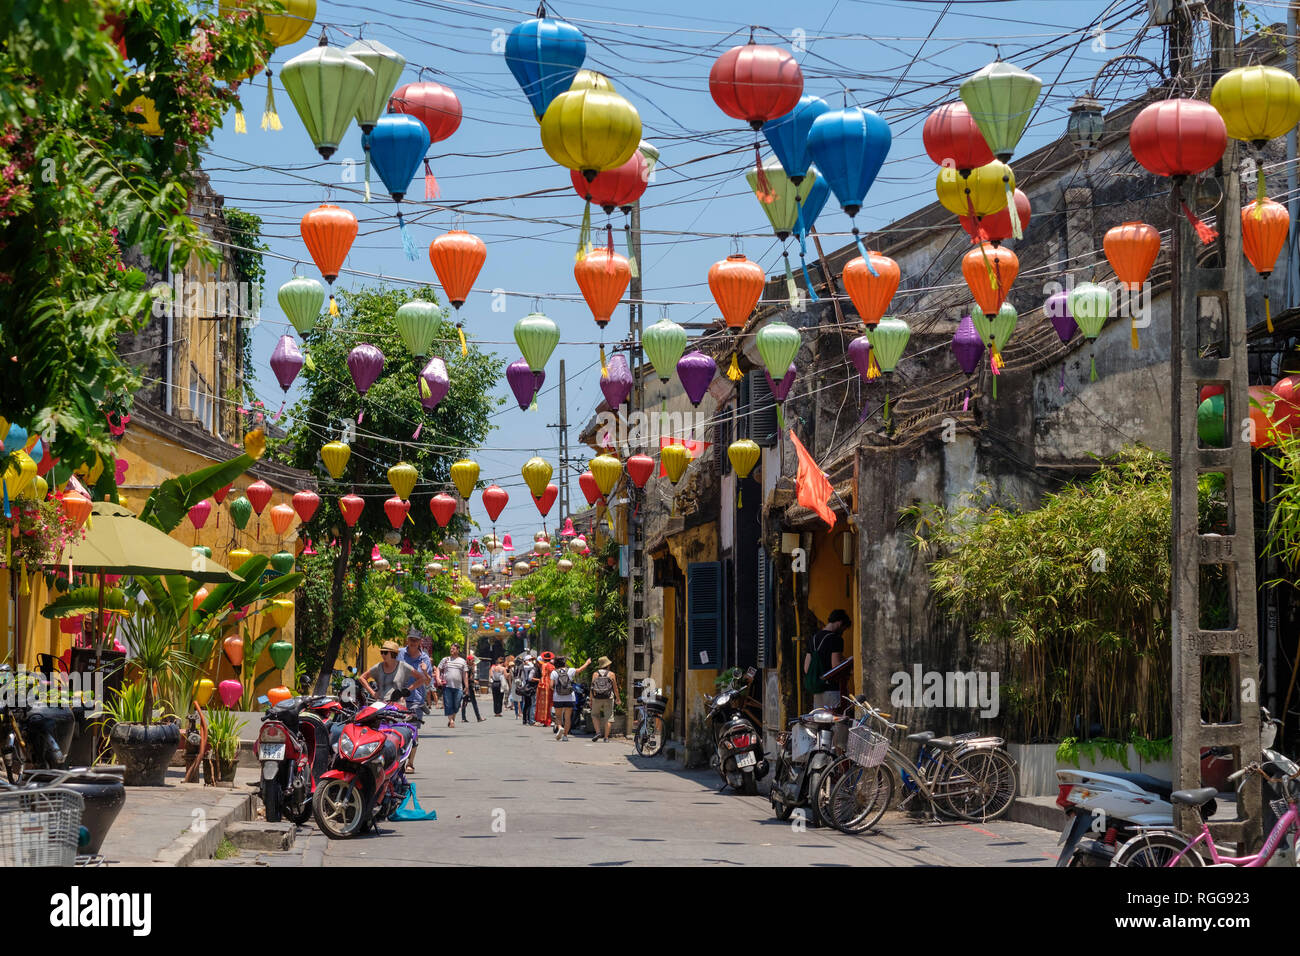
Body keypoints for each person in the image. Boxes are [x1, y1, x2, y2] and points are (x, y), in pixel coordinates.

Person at [804, 609, 850, 709]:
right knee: (836, 723)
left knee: (820, 722)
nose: (842, 632)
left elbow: (806, 668)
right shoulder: (836, 639)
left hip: (817, 690)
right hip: (832, 691)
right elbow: (835, 666)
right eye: (844, 628)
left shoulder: (814, 638)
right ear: (840, 623)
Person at [549, 656, 589, 741]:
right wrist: (587, 663)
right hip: (570, 697)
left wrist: (556, 690)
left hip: (558, 698)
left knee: (558, 716)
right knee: (567, 718)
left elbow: (551, 686)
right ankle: (565, 736)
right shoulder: (570, 670)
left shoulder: (554, 673)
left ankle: (560, 727)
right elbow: (580, 669)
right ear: (564, 663)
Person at [398, 633, 434, 715]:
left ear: (420, 642)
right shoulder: (399, 653)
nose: (413, 642)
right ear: (407, 640)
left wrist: (424, 672)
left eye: (416, 640)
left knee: (413, 727)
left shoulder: (425, 658)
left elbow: (428, 682)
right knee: (398, 727)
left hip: (416, 701)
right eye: (411, 639)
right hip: (399, 699)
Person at [438, 644, 471, 728]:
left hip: (458, 687)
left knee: (456, 705)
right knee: (448, 704)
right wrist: (438, 679)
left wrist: (466, 687)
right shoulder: (445, 660)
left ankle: (452, 718)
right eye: (451, 649)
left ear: (458, 650)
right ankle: (451, 721)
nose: (451, 650)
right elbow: (438, 669)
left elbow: (465, 675)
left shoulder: (462, 661)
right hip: (447, 686)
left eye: (453, 649)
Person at [588, 655, 620, 742]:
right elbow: (615, 688)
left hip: (596, 697)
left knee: (594, 715)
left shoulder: (595, 674)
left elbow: (592, 688)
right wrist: (618, 699)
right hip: (608, 697)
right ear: (607, 665)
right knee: (609, 717)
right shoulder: (611, 674)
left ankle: (598, 732)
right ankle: (606, 738)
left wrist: (590, 699)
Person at [460, 652, 485, 723]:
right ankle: (478, 717)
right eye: (472, 660)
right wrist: (474, 681)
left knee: (465, 702)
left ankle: (463, 718)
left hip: (465, 686)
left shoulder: (466, 667)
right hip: (468, 686)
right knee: (473, 702)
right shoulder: (468, 668)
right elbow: (469, 678)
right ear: (468, 661)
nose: (473, 661)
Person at [534, 651, 555, 727]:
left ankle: (544, 719)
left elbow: (543, 675)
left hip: (543, 684)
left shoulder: (544, 665)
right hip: (550, 684)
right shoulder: (552, 666)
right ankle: (549, 720)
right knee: (550, 703)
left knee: (542, 703)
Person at [516, 654, 539, 725]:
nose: (532, 661)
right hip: (527, 686)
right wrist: (528, 662)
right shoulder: (526, 667)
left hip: (526, 686)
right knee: (529, 703)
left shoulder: (527, 667)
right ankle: (528, 719)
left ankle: (526, 719)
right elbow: (531, 669)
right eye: (530, 660)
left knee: (528, 703)